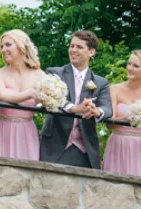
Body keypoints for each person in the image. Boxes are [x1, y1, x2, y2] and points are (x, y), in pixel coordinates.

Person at [39, 30, 112, 168]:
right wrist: (72, 108)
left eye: (79, 47)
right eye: (72, 46)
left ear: (91, 52)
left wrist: (97, 111)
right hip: (54, 145)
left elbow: (108, 108)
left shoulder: (100, 82)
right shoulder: (54, 73)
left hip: (85, 150)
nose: (73, 50)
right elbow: (49, 97)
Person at [101, 50, 141, 178]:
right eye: (129, 64)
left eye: (135, 66)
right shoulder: (114, 89)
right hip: (118, 144)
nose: (129, 68)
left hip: (140, 147)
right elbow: (109, 125)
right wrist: (131, 117)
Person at [0, 30, 41, 160]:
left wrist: (49, 99)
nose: (3, 49)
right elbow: (2, 95)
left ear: (22, 46)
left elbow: (45, 102)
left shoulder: (40, 75)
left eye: (8, 45)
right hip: (1, 130)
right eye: (2, 46)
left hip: (26, 133)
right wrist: (30, 93)